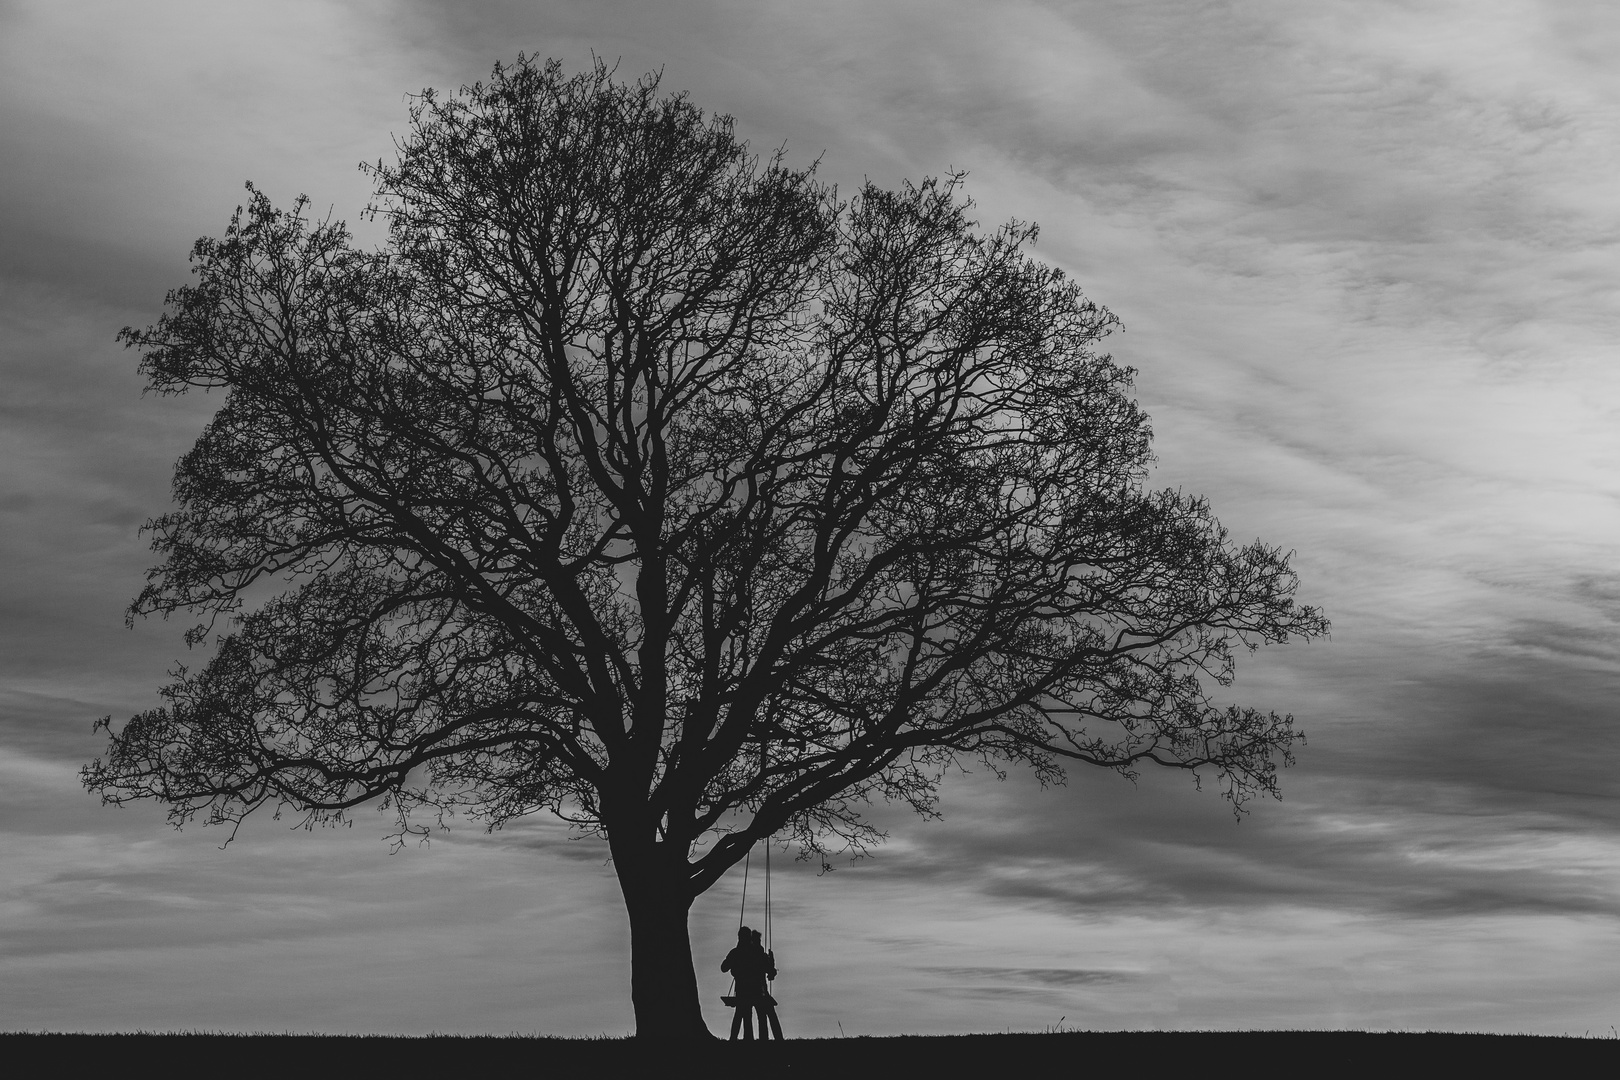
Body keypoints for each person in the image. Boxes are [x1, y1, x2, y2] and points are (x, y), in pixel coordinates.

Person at [721, 926, 764, 1041]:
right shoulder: (754, 952)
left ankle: (736, 1039)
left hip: (742, 988)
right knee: (746, 1014)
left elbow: (724, 967)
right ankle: (748, 1039)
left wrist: (733, 966)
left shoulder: (736, 952)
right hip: (755, 988)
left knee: (741, 1014)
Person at [751, 928, 784, 1040]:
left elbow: (770, 974)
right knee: (770, 1015)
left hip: (752, 990)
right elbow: (771, 974)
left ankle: (764, 1039)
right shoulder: (760, 955)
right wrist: (772, 962)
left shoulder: (750, 955)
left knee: (762, 1016)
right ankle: (778, 1038)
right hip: (761, 991)